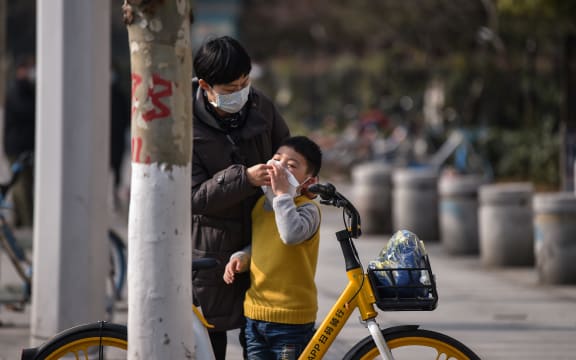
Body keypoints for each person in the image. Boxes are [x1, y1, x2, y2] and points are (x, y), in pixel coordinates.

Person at [191, 36, 290, 360]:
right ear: (206, 85)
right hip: (213, 252)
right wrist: (243, 178)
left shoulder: (261, 105)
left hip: (263, 243)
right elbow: (194, 197)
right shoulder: (185, 125)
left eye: (245, 82)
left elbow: (288, 147)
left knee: (261, 340)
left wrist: (289, 167)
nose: (241, 93)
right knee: (211, 341)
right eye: (231, 88)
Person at [223, 135, 323, 359]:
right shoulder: (261, 205)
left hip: (291, 321)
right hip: (255, 314)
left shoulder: (308, 210)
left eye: (291, 166)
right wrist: (243, 257)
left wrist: (282, 195)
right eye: (277, 159)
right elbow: (262, 243)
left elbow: (290, 234)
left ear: (309, 182)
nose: (279, 167)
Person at [3, 55, 36, 228]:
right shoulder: (17, 90)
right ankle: (27, 222)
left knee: (25, 184)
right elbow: (27, 111)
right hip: (17, 146)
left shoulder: (28, 89)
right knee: (20, 185)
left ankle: (21, 221)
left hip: (24, 145)